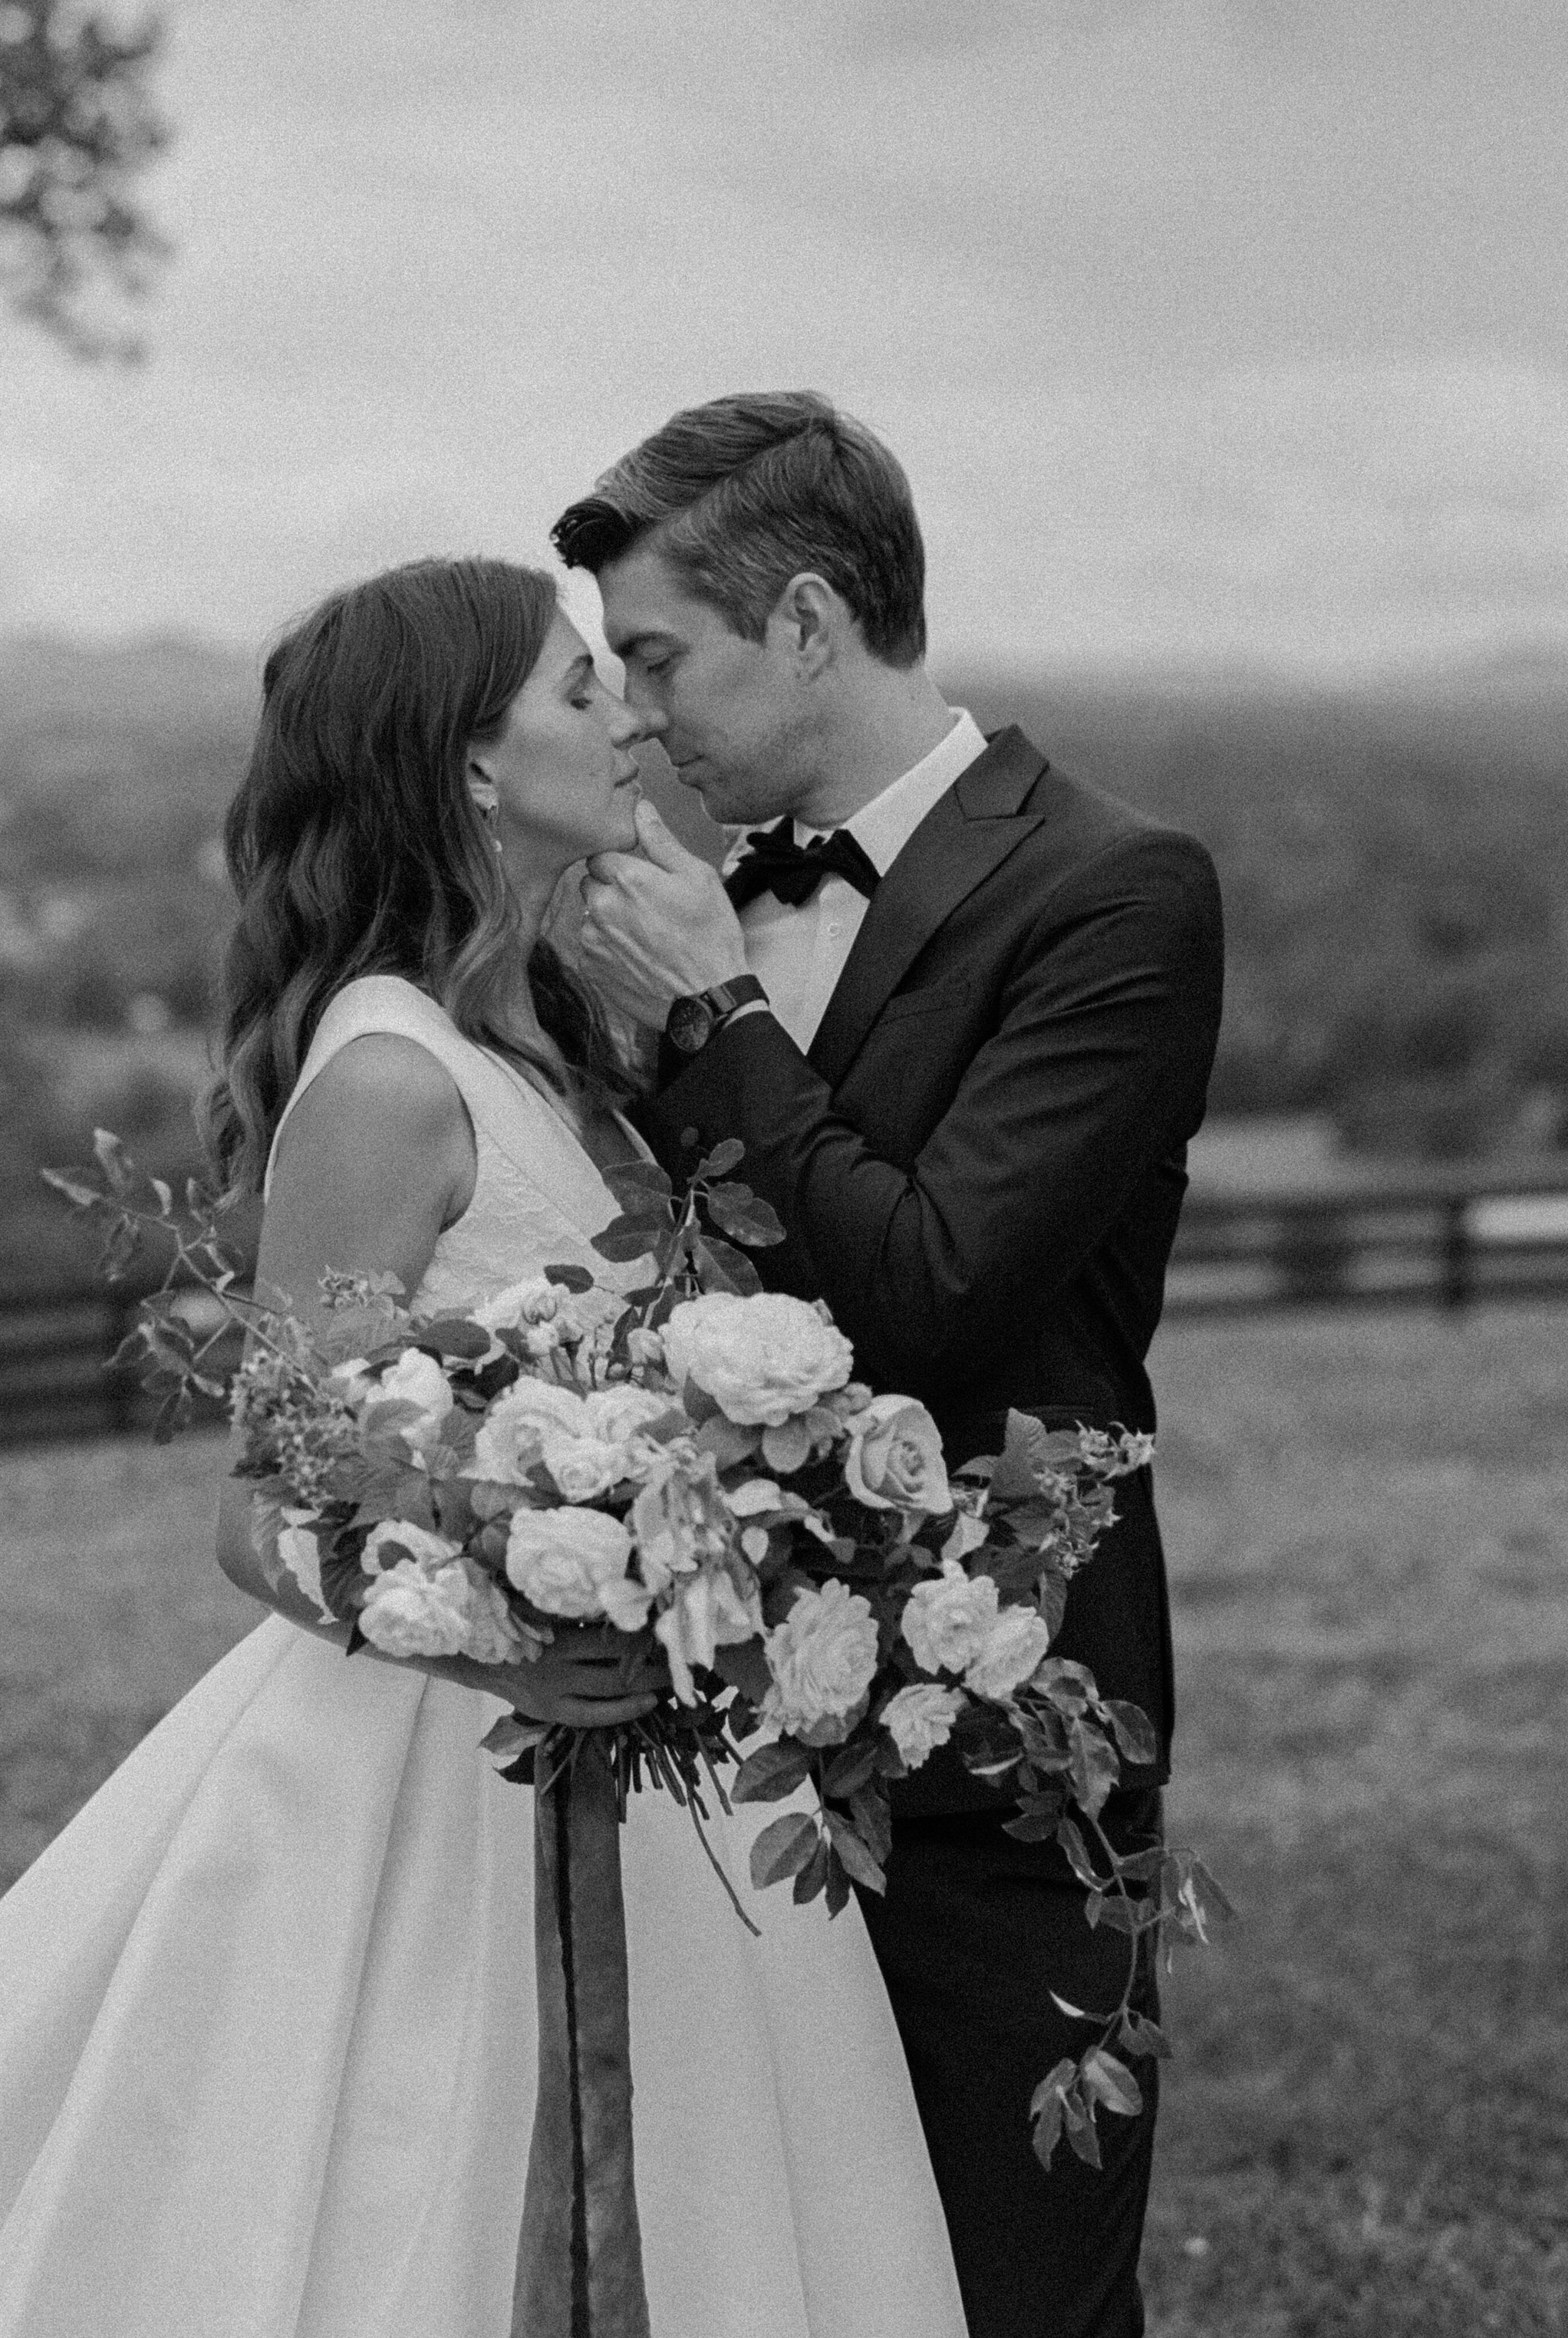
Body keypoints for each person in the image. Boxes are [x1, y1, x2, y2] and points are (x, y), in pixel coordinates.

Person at [0, 556, 964, 2337]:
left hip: (676, 1756)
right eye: (569, 685)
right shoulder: (391, 1077)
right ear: (468, 764)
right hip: (458, 1777)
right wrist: (517, 1616)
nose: (622, 711)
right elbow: (270, 1501)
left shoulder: (557, 1030)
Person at [555, 394, 1225, 2338]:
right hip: (734, 1755)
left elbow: (933, 1284)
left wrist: (710, 1013)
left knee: (1014, 2299)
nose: (641, 712)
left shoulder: (1116, 890)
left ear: (810, 622)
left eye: (661, 657)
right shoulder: (683, 904)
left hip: (1010, 1753)